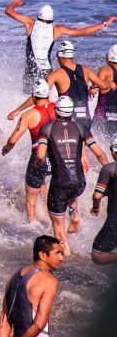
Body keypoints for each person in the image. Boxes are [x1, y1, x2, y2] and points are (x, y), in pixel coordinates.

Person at [35, 96, 108, 255]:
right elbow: (99, 154)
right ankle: (74, 213)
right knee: (71, 193)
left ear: (56, 111)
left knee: (58, 226)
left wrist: (38, 164)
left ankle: (66, 256)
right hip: (79, 182)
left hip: (59, 184)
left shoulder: (47, 129)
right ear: (71, 112)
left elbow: (40, 156)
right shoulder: (81, 128)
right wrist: (110, 172)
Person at [4, 0, 116, 93]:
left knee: (28, 94)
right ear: (51, 19)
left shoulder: (31, 23)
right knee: (45, 96)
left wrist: (15, 3)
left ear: (38, 16)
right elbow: (83, 32)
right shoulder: (56, 29)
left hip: (32, 68)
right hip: (47, 70)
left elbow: (8, 11)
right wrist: (105, 23)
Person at [0, 235, 64, 337]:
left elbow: (4, 322)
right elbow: (39, 324)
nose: (61, 258)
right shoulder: (49, 280)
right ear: (42, 255)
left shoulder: (13, 278)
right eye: (57, 253)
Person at [8, 41, 107, 129]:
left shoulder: (56, 74)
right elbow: (104, 86)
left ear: (60, 56)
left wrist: (18, 110)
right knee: (83, 143)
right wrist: (94, 87)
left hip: (68, 118)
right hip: (86, 118)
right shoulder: (86, 69)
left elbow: (40, 94)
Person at [2, 80, 57, 222]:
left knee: (31, 195)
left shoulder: (29, 115)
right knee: (44, 183)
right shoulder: (59, 108)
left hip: (39, 157)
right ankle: (48, 217)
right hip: (58, 156)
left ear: (33, 96)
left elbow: (13, 140)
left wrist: (6, 149)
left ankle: (32, 224)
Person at [90, 136, 117, 265]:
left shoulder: (109, 169)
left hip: (115, 221)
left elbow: (97, 196)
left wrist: (95, 207)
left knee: (97, 255)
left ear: (114, 152)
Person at [91, 44, 117, 140]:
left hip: (102, 115)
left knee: (103, 142)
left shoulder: (105, 70)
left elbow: (94, 90)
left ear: (108, 57)